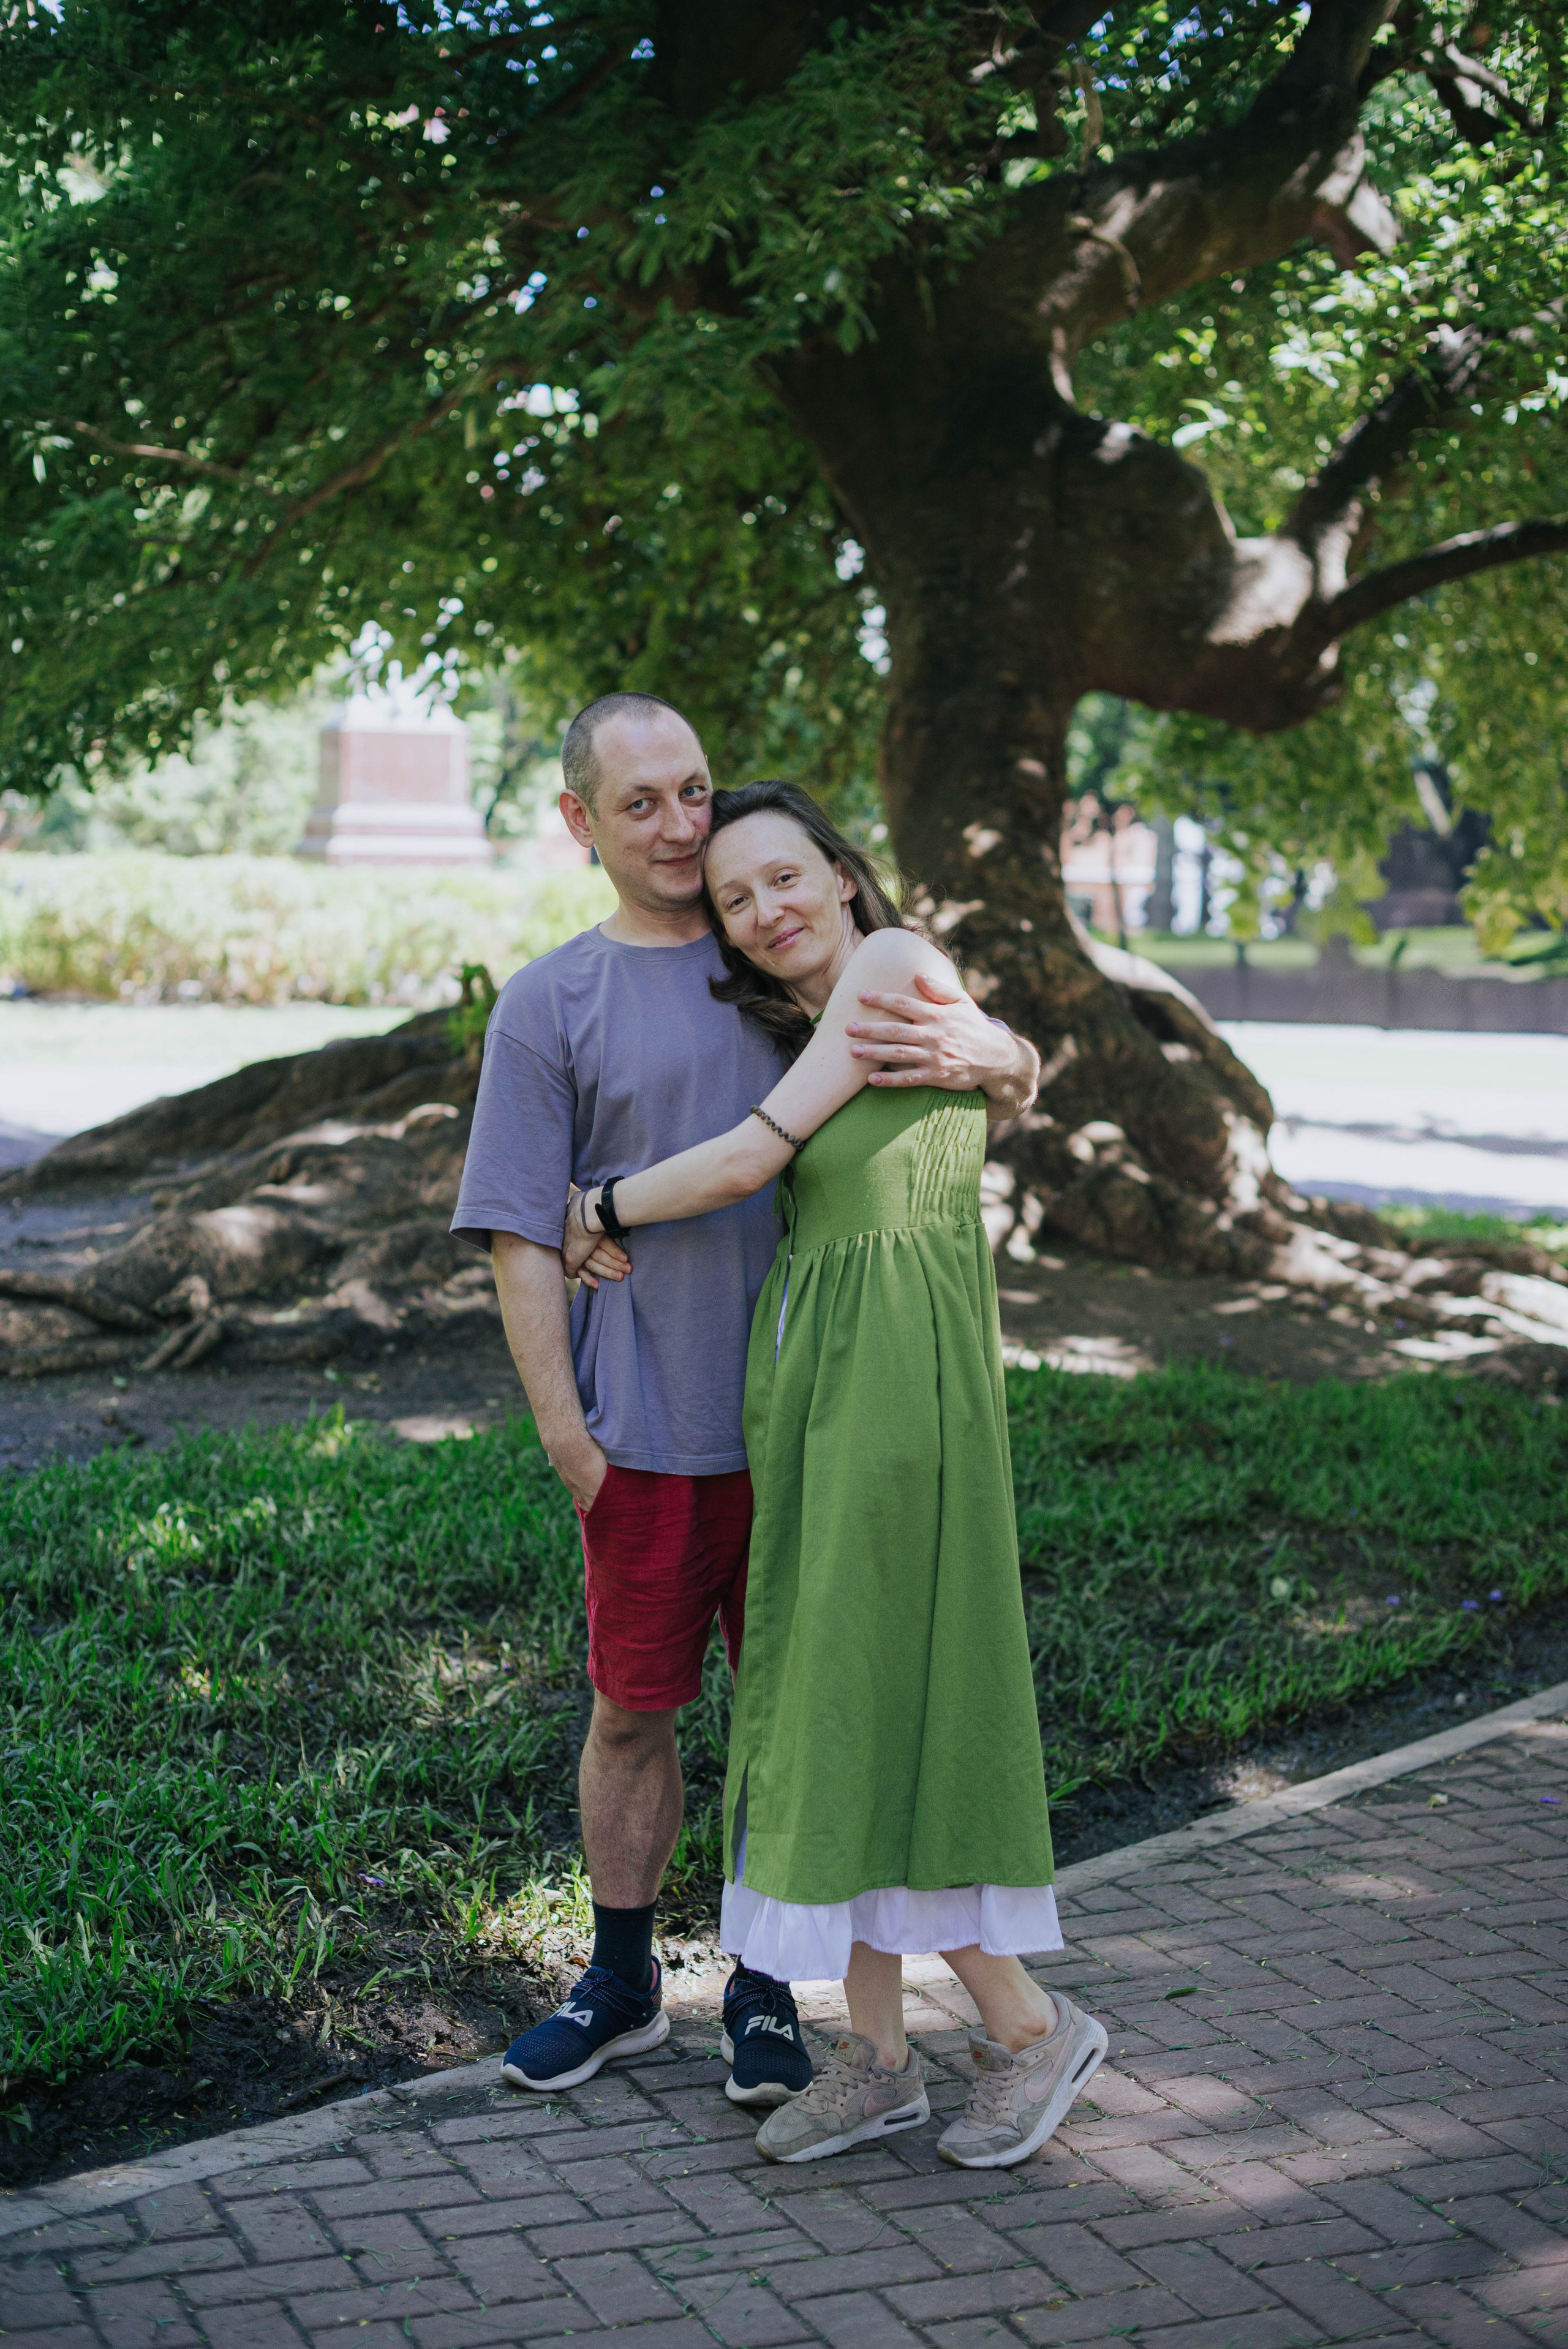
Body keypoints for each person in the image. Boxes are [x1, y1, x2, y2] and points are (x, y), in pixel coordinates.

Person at [450, 696, 1041, 2105]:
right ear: (579, 823)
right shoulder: (552, 1002)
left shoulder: (780, 972)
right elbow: (522, 1230)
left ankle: (767, 1992)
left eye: (694, 792)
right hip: (646, 1431)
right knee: (632, 1708)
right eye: (640, 803)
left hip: (820, 1421)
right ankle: (616, 1979)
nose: (678, 825)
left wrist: (1000, 1057)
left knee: (799, 1715)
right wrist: (565, 1433)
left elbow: (951, 1050)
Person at [561, 779, 1109, 2170]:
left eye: (784, 876)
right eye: (736, 900)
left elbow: (753, 1158)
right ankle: (877, 2056)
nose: (764, 910)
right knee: (829, 1694)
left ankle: (1032, 2027)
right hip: (813, 1393)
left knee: (885, 1684)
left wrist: (596, 1207)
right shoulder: (802, 1026)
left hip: (896, 1394)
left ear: (841, 875)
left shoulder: (886, 961)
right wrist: (1013, 1060)